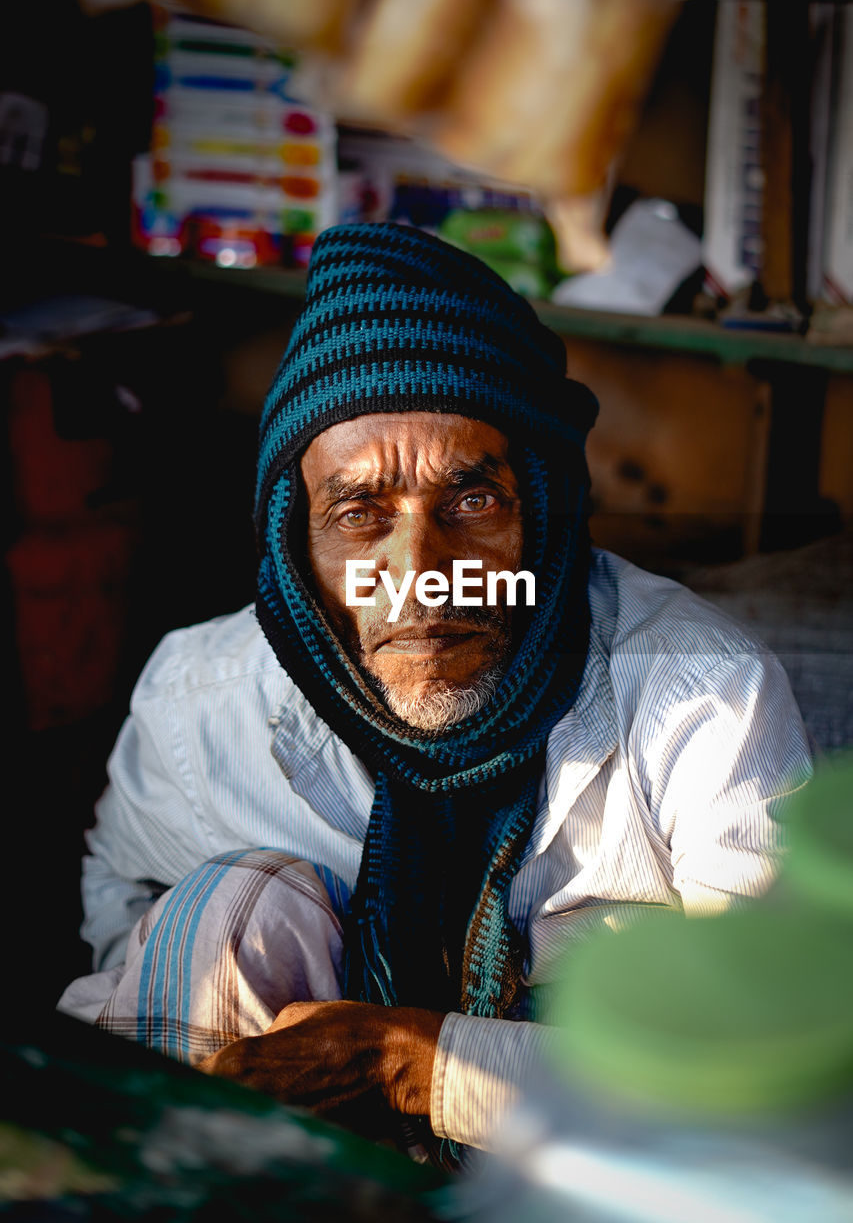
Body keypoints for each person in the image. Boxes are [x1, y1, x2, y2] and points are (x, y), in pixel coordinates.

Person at [58, 221, 812, 1165]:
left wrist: (419, 1064)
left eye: (469, 503)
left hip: (589, 1174)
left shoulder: (701, 697)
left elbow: (776, 1066)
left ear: (541, 511)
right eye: (359, 515)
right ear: (298, 546)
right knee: (228, 906)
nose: (418, 572)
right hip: (302, 1175)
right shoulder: (199, 698)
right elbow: (119, 902)